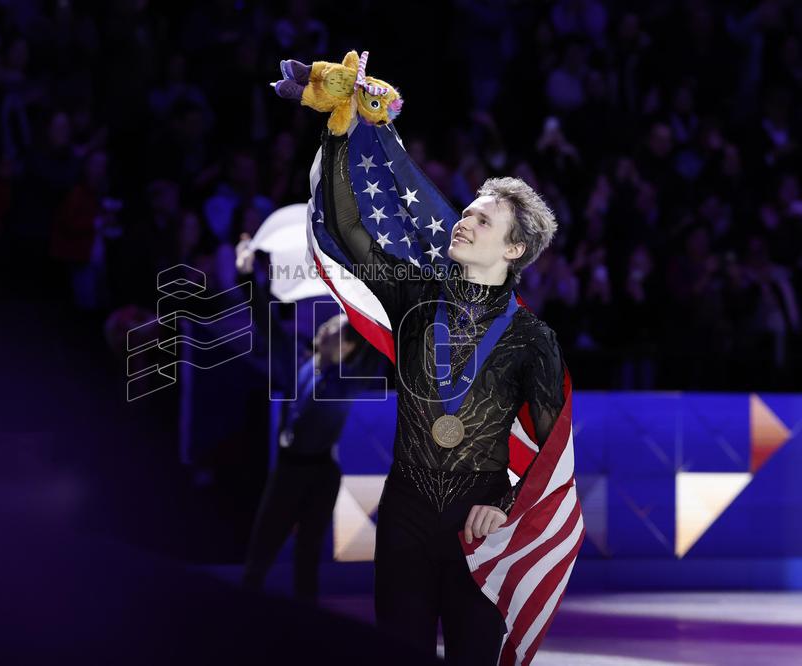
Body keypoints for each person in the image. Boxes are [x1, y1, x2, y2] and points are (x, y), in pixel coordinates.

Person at [316, 127, 566, 665]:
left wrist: (503, 508)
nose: (464, 221)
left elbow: (550, 457)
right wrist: (339, 133)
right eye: (467, 211)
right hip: (405, 512)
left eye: (482, 219)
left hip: (478, 530)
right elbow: (348, 225)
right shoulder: (412, 295)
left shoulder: (532, 339)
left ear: (515, 248)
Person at [235, 236, 384, 603]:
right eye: (331, 324)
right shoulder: (297, 360)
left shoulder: (348, 380)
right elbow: (266, 323)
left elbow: (376, 339)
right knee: (262, 549)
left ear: (348, 347)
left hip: (321, 473)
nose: (328, 328)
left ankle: (309, 633)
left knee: (308, 558)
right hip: (288, 469)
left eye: (337, 329)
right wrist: (246, 277)